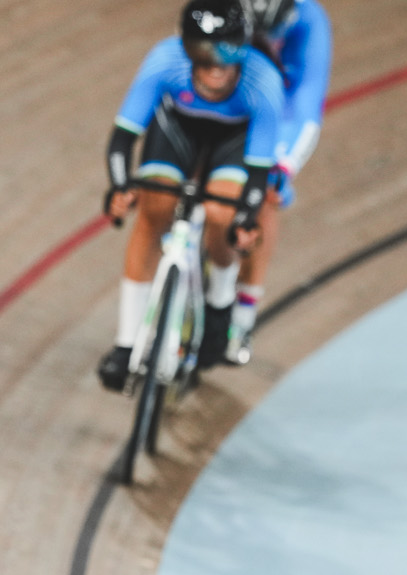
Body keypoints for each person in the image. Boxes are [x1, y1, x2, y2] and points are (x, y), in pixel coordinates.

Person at [97, 0, 287, 391]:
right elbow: (122, 139)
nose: (216, 66)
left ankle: (219, 303)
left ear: (244, 47)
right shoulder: (164, 61)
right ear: (185, 48)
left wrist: (246, 219)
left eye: (228, 53)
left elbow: (257, 174)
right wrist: (120, 186)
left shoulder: (263, 81)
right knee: (155, 212)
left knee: (221, 214)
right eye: (203, 53)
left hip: (233, 142)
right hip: (177, 133)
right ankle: (126, 344)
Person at [229, 0, 332, 361]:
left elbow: (304, 107)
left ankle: (243, 310)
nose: (268, 41)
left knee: (266, 195)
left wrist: (283, 166)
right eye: (259, 33)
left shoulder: (309, 23)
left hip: (280, 109)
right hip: (234, 90)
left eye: (273, 33)